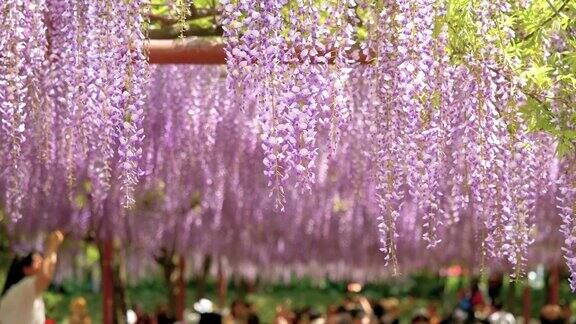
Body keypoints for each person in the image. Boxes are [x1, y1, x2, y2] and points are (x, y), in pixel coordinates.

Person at [0, 230, 64, 324]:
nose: (42, 261)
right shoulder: (25, 287)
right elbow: (45, 276)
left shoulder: (18, 291)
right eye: (37, 260)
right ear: (26, 269)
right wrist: (52, 246)